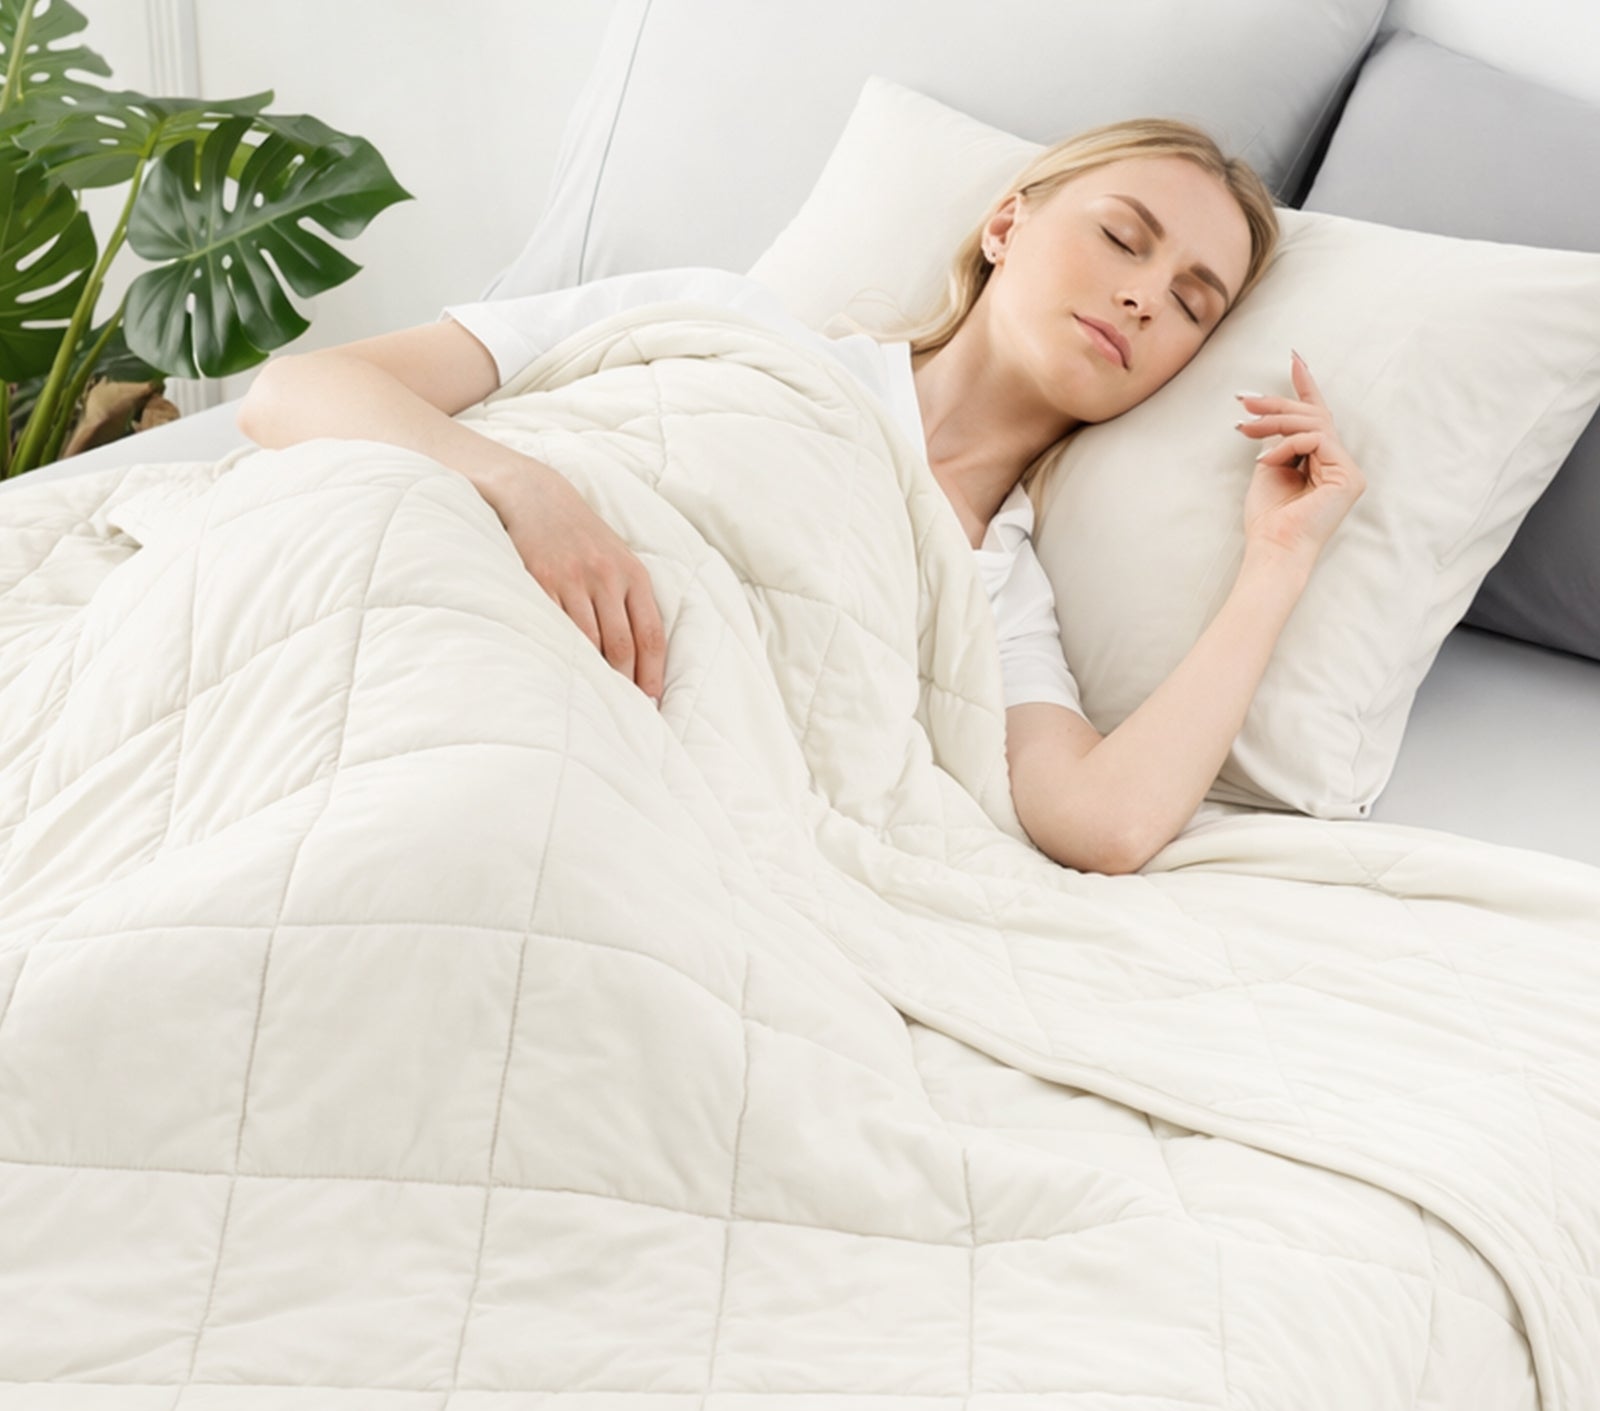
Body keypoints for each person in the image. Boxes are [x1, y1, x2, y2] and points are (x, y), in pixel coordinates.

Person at [237, 118, 1365, 876]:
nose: (1140, 294)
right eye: (1123, 237)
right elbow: (296, 389)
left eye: (1191, 303)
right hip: (405, 615)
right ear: (1008, 224)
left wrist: (1277, 563)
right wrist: (522, 489)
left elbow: (1104, 822)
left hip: (592, 801)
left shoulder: (988, 578)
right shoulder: (724, 323)